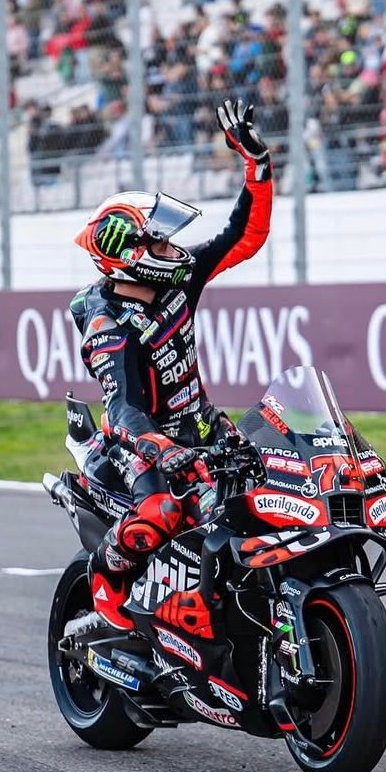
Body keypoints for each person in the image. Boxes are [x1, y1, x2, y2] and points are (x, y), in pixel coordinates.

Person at [68, 98, 272, 631]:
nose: (171, 247)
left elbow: (244, 236)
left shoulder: (179, 279)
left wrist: (257, 166)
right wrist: (164, 449)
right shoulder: (107, 324)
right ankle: (106, 581)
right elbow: (125, 410)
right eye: (157, 241)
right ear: (128, 255)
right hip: (139, 444)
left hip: (203, 425)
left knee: (275, 486)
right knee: (160, 511)